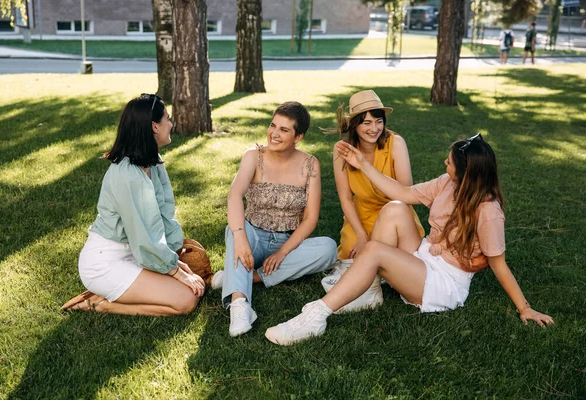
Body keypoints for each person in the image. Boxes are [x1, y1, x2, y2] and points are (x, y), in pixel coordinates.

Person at [265, 133, 554, 345]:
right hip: (426, 256)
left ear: (467, 175)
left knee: (375, 251)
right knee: (395, 209)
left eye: (450, 162)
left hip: (445, 282)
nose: (444, 163)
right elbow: (402, 193)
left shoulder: (488, 211)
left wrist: (524, 307)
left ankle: (316, 315)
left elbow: (498, 264)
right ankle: (369, 291)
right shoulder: (447, 183)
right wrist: (363, 165)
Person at [61, 94, 205, 315]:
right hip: (106, 263)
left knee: (193, 285)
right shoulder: (126, 174)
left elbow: (165, 211)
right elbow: (144, 236)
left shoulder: (152, 160)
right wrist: (176, 271)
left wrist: (175, 254)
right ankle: (102, 304)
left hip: (136, 255)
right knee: (186, 300)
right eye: (167, 118)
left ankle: (115, 293)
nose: (171, 123)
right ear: (154, 127)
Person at [212, 101, 337, 337]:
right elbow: (234, 196)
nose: (274, 134)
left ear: (298, 136)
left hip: (288, 242)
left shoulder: (310, 165)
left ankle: (249, 276)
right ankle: (240, 305)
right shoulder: (253, 157)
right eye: (273, 125)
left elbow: (311, 218)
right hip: (253, 238)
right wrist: (240, 238)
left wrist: (282, 253)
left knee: (329, 248)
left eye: (284, 130)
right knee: (234, 229)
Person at [332, 90, 424, 262]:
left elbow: (407, 194)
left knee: (390, 255)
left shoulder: (396, 143)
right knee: (354, 253)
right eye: (366, 123)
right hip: (362, 215)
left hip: (395, 213)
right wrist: (360, 235)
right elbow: (345, 198)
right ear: (355, 124)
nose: (374, 129)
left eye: (378, 121)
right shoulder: (342, 150)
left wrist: (365, 166)